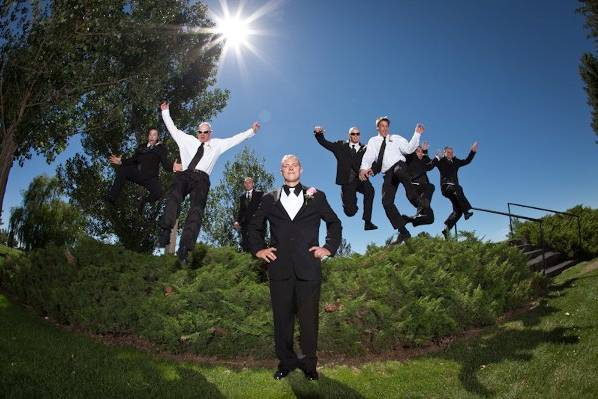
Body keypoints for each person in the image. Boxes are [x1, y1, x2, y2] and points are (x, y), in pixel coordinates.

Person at [248, 154, 342, 381]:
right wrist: (259, 249)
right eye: (285, 166)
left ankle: (310, 366)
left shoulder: (317, 196)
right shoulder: (270, 198)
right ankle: (286, 363)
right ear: (281, 171)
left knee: (309, 321)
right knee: (282, 320)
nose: (290, 168)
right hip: (279, 269)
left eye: (294, 165)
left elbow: (334, 223)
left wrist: (328, 248)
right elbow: (254, 227)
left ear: (301, 169)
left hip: (309, 269)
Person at [157, 101, 261, 262]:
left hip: (202, 179)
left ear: (210, 133)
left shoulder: (217, 144)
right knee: (174, 195)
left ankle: (185, 248)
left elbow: (235, 139)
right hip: (185, 174)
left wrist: (251, 131)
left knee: (196, 210)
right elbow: (172, 129)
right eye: (200, 132)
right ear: (197, 132)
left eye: (206, 132)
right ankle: (165, 230)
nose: (203, 134)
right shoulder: (187, 140)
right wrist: (165, 112)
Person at [359, 116, 424, 244]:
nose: (384, 129)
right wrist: (363, 168)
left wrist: (417, 134)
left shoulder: (396, 138)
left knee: (399, 170)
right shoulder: (373, 141)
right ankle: (403, 232)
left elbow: (409, 149)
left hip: (399, 165)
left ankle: (414, 198)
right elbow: (369, 156)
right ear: (378, 127)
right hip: (388, 173)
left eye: (386, 126)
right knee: (386, 202)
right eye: (382, 126)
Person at [314, 125, 377, 230]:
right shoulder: (340, 145)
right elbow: (325, 143)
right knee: (350, 212)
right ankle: (348, 198)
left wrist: (372, 169)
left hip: (361, 178)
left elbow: (374, 161)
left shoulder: (365, 149)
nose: (356, 136)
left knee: (370, 190)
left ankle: (367, 221)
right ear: (349, 135)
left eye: (358, 134)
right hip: (347, 181)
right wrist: (319, 134)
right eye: (353, 134)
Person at [105, 128, 173, 214]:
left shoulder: (161, 149)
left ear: (157, 137)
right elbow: (133, 160)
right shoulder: (141, 147)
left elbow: (166, 164)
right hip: (139, 174)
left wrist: (174, 167)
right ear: (148, 136)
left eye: (154, 135)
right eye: (150, 134)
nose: (152, 136)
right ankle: (111, 197)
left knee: (158, 193)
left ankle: (144, 201)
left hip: (151, 178)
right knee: (124, 169)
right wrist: (121, 161)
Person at [431, 142, 478, 239]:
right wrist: (436, 156)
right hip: (446, 188)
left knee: (458, 211)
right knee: (458, 188)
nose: (450, 154)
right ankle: (466, 211)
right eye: (448, 152)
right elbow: (432, 164)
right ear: (444, 153)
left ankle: (446, 229)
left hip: (455, 191)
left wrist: (472, 152)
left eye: (451, 153)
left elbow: (467, 161)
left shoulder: (456, 162)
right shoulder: (441, 161)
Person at [403, 142, 435, 227]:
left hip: (422, 197)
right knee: (430, 186)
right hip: (413, 190)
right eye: (418, 151)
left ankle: (411, 219)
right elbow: (427, 166)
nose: (421, 153)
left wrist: (425, 152)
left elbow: (429, 164)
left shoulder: (422, 162)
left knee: (430, 218)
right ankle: (419, 212)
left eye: (421, 152)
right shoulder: (411, 160)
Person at [234, 177, 264, 252]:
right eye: (246, 183)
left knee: (258, 246)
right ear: (244, 184)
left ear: (253, 184)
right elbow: (241, 211)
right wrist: (237, 221)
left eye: (249, 182)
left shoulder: (259, 193)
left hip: (257, 225)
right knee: (246, 245)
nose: (247, 184)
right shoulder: (242, 197)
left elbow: (264, 208)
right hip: (245, 226)